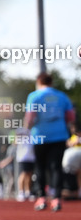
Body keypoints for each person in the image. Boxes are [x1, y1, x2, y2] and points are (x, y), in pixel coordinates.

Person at [25, 73, 77, 212]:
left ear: (39, 81)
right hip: (59, 136)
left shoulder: (34, 96)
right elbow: (71, 116)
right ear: (51, 82)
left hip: (40, 136)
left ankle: (41, 198)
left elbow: (30, 117)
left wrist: (26, 130)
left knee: (40, 167)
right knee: (56, 168)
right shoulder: (62, 96)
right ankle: (56, 199)